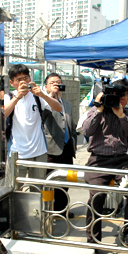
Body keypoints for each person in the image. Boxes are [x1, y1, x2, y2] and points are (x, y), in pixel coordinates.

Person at [82, 79, 128, 247]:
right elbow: (86, 130)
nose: (121, 99)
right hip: (98, 160)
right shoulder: (96, 110)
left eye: (125, 96)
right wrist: (100, 109)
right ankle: (93, 240)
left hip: (122, 160)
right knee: (97, 196)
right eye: (117, 95)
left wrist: (121, 115)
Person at [3, 64, 62, 181]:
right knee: (14, 188)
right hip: (17, 153)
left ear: (30, 78)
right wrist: (18, 97)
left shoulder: (37, 96)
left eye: (25, 78)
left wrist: (42, 95)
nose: (23, 82)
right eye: (18, 80)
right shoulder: (9, 96)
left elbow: (59, 108)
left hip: (39, 151)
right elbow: (3, 114)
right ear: (11, 83)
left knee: (37, 188)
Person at [42, 73, 78, 215]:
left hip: (67, 149)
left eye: (58, 82)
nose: (56, 85)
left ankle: (62, 209)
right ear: (46, 86)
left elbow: (71, 125)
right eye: (52, 83)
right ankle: (48, 210)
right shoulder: (43, 102)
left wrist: (74, 141)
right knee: (50, 181)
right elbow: (43, 118)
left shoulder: (68, 104)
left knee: (65, 181)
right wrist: (50, 97)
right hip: (51, 148)